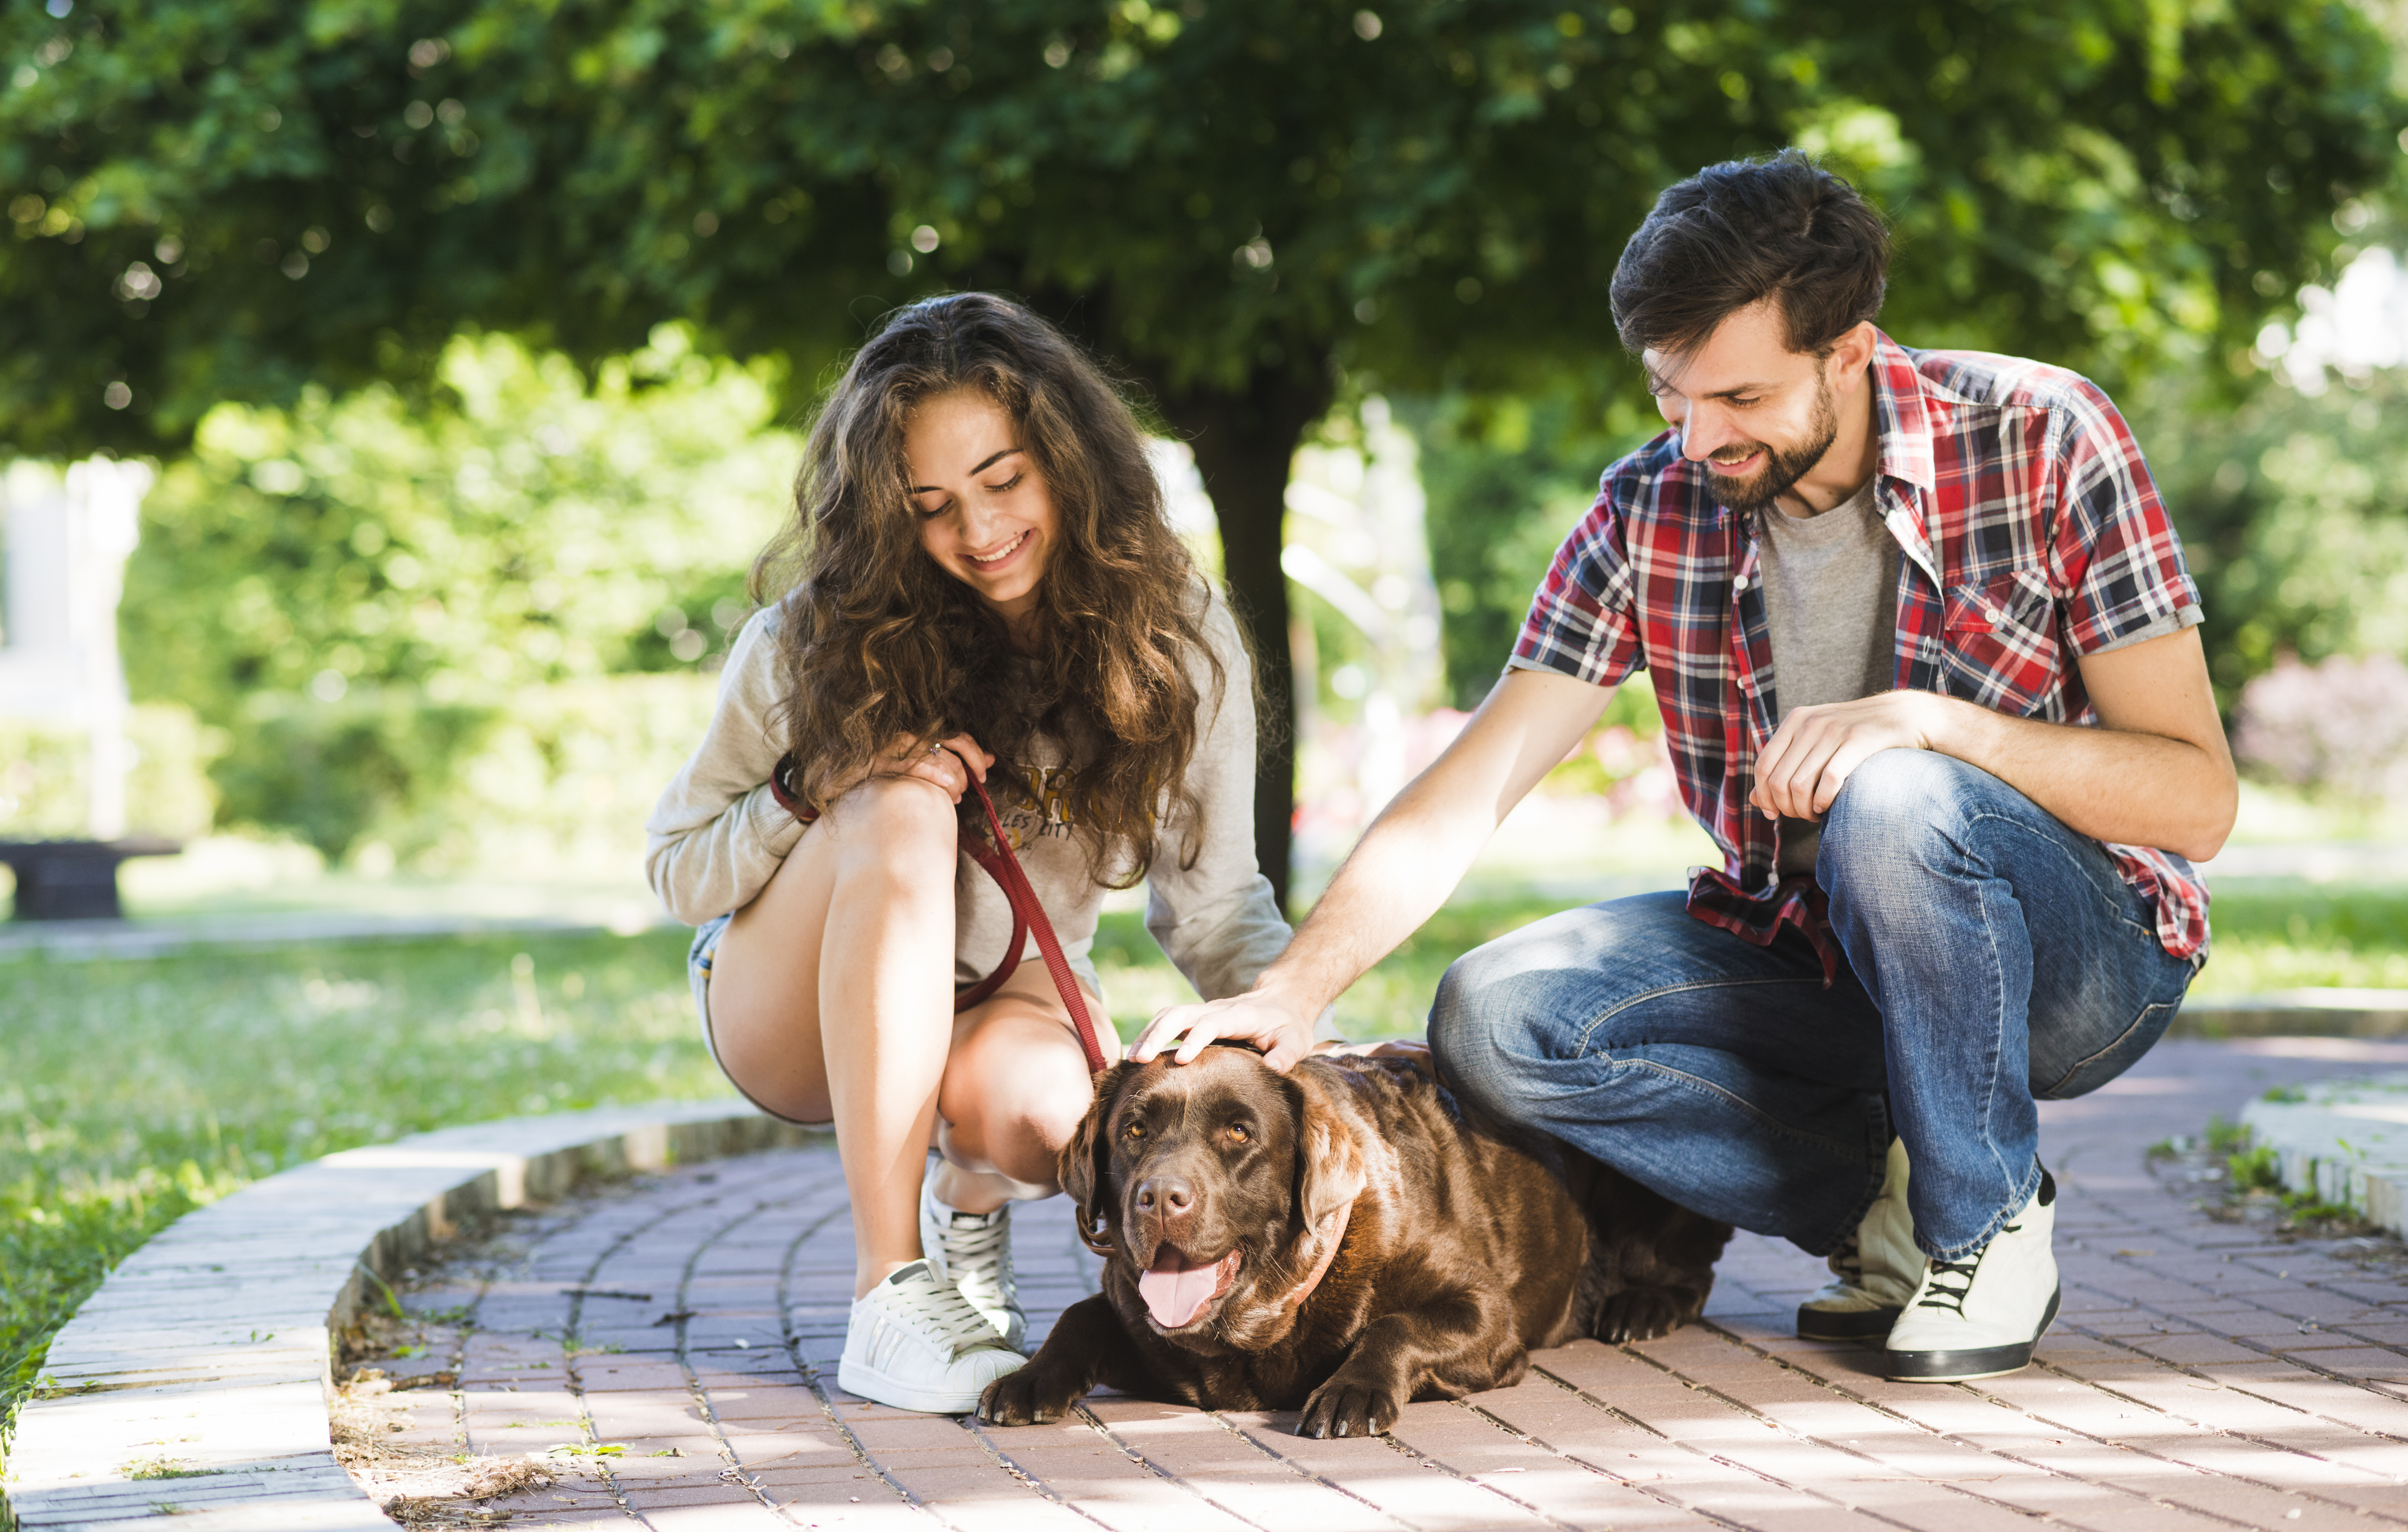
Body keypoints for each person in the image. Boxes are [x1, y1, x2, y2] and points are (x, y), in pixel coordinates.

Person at [1133, 153, 2235, 1384]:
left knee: (1895, 794)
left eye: (1742, 396)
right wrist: (1292, 993)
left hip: (2078, 968)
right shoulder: (1650, 506)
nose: (1701, 437)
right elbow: (1472, 785)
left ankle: (1982, 1222)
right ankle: (1893, 1199)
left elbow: (2196, 799)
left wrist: (1936, 725)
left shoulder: (2042, 435)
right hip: (1813, 955)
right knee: (1496, 1018)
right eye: (1672, 394)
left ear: (1850, 351)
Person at [647, 293, 1289, 1414]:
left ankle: (969, 1196)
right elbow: (678, 867)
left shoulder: (1176, 634)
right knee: (901, 802)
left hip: (1007, 988)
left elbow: (1216, 901)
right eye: (931, 507)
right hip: (790, 1006)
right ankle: (888, 1293)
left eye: (1004, 481)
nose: (979, 531)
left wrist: (1316, 1044)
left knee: (1065, 1131)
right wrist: (813, 784)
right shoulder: (811, 639)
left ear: (1072, 463)